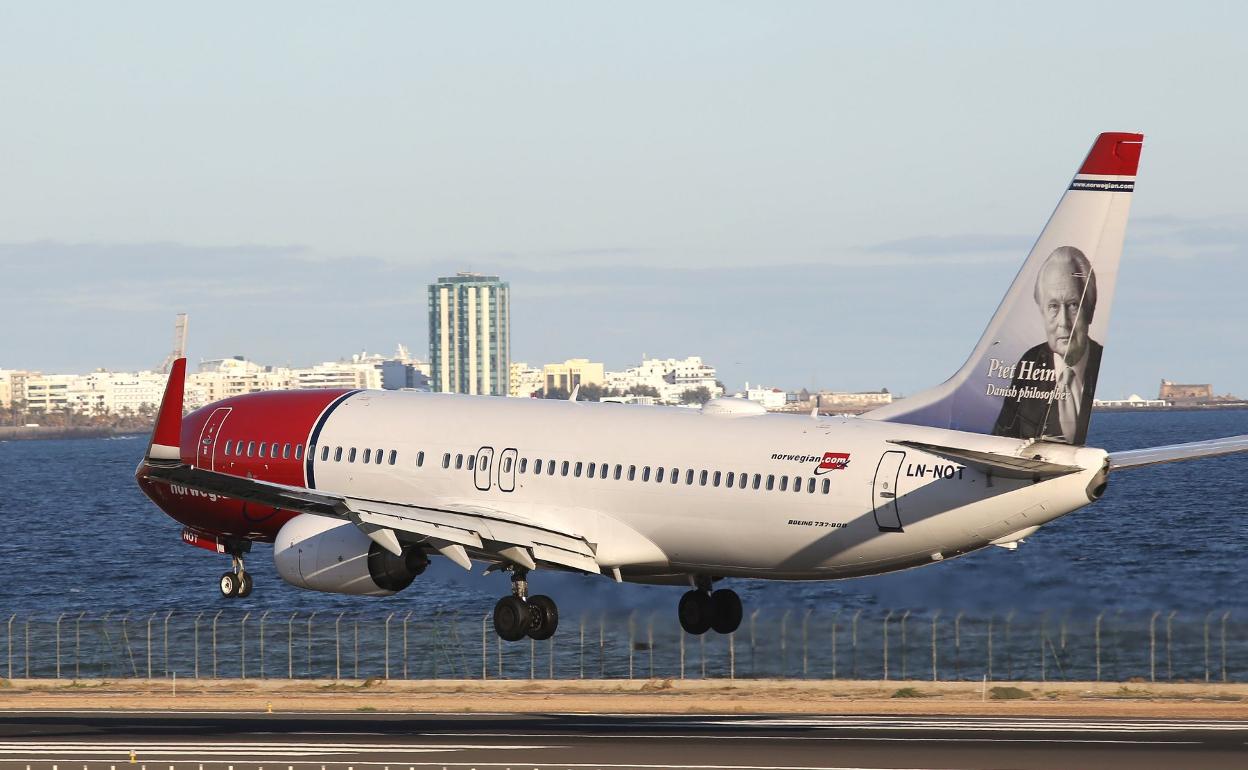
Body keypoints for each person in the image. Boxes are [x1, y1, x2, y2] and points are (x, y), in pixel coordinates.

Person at [992, 246, 1103, 445]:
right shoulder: (1030, 363)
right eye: (1053, 306)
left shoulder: (1099, 362)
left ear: (1091, 309)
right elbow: (1003, 435)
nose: (1063, 322)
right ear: (1041, 312)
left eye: (1073, 305)